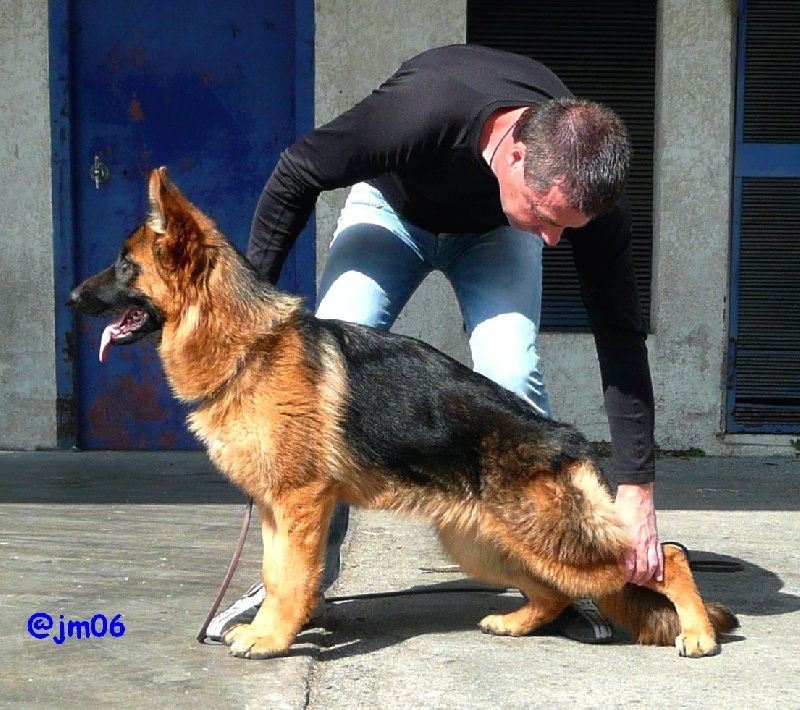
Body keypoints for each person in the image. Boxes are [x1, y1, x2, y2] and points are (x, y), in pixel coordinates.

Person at [207, 43, 663, 644]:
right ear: (516, 154)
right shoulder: (422, 109)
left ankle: (551, 571)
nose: (555, 240)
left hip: (495, 230)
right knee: (326, 359)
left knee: (512, 369)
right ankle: (293, 588)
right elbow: (298, 169)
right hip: (395, 210)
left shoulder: (581, 183)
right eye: (547, 217)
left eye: (566, 227)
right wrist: (249, 311)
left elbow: (620, 334)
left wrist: (636, 487)